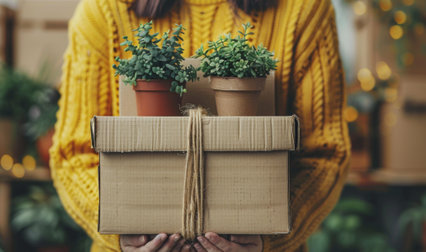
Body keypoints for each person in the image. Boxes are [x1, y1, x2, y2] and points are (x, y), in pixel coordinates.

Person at [50, 0, 351, 251]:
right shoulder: (105, 10)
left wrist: (270, 231)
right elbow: (72, 154)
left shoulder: (304, 10)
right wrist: (121, 228)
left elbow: (325, 154)